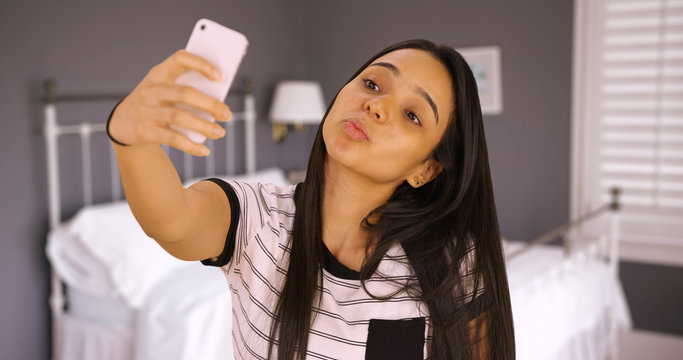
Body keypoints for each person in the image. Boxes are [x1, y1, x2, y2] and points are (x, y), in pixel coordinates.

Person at [107, 39, 515, 359]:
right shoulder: (257, 218)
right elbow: (173, 221)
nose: (376, 105)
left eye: (412, 115)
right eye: (372, 83)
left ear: (425, 170)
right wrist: (130, 140)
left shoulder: (451, 260)